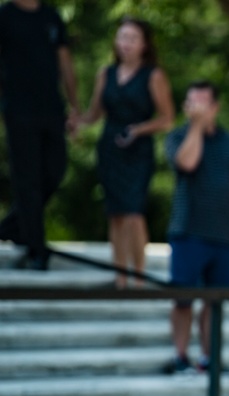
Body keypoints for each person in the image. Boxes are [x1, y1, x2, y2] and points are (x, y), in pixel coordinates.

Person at [162, 81, 229, 374]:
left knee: (216, 301)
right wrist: (196, 127)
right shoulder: (178, 136)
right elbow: (187, 163)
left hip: (225, 236)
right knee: (183, 299)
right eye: (192, 103)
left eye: (203, 103)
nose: (197, 109)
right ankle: (180, 357)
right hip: (188, 232)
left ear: (215, 107)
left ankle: (209, 358)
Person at [77, 17, 174, 288]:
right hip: (110, 146)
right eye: (122, 37)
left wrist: (139, 130)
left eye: (132, 38)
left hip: (137, 148)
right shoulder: (105, 73)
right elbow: (95, 113)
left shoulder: (153, 75)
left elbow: (167, 118)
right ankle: (120, 276)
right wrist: (77, 121)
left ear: (144, 44)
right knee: (115, 212)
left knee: (133, 212)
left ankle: (138, 276)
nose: (126, 44)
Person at [0, 0, 79, 270]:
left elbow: (65, 63)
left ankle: (13, 226)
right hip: (18, 110)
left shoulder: (51, 16)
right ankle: (36, 247)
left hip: (52, 109)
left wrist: (74, 106)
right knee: (27, 180)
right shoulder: (5, 15)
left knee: (55, 171)